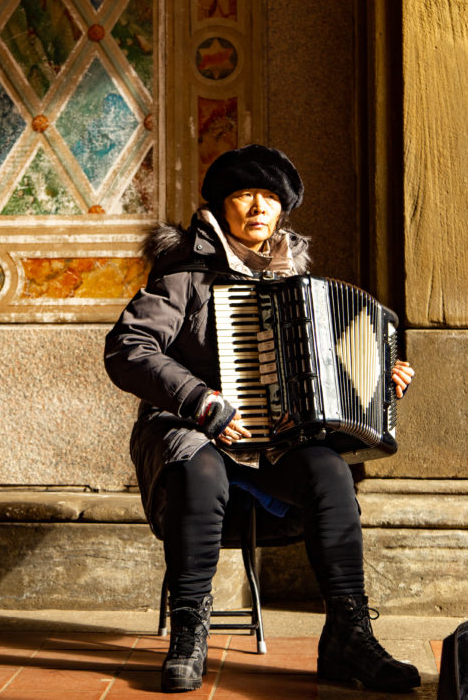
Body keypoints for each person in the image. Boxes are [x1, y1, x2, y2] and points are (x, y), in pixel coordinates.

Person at [104, 145, 419, 694]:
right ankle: (189, 634)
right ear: (221, 206)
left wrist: (377, 381)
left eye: (270, 197)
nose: (258, 206)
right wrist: (201, 401)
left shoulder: (297, 282)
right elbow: (128, 347)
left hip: (274, 440)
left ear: (282, 211)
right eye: (245, 195)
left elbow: (329, 367)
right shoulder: (185, 272)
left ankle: (349, 634)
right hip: (189, 428)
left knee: (329, 474)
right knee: (200, 472)